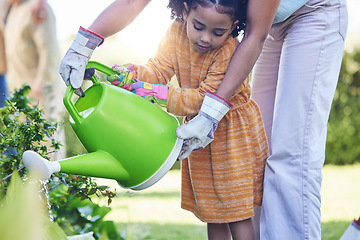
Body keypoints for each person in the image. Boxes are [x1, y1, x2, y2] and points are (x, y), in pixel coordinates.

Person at [59, 0, 348, 239]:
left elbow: (208, 94)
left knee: (276, 171)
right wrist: (111, 61)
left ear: (231, 28)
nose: (205, 38)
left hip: (310, 14)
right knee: (212, 211)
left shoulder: (227, 48)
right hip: (262, 34)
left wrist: (156, 93)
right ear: (185, 11)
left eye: (216, 32)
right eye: (198, 26)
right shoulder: (178, 33)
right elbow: (157, 65)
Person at [4, 0, 66, 160]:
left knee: (48, 155)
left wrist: (38, 94)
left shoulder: (36, 8)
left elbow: (50, 57)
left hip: (41, 100)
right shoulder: (11, 11)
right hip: (20, 100)